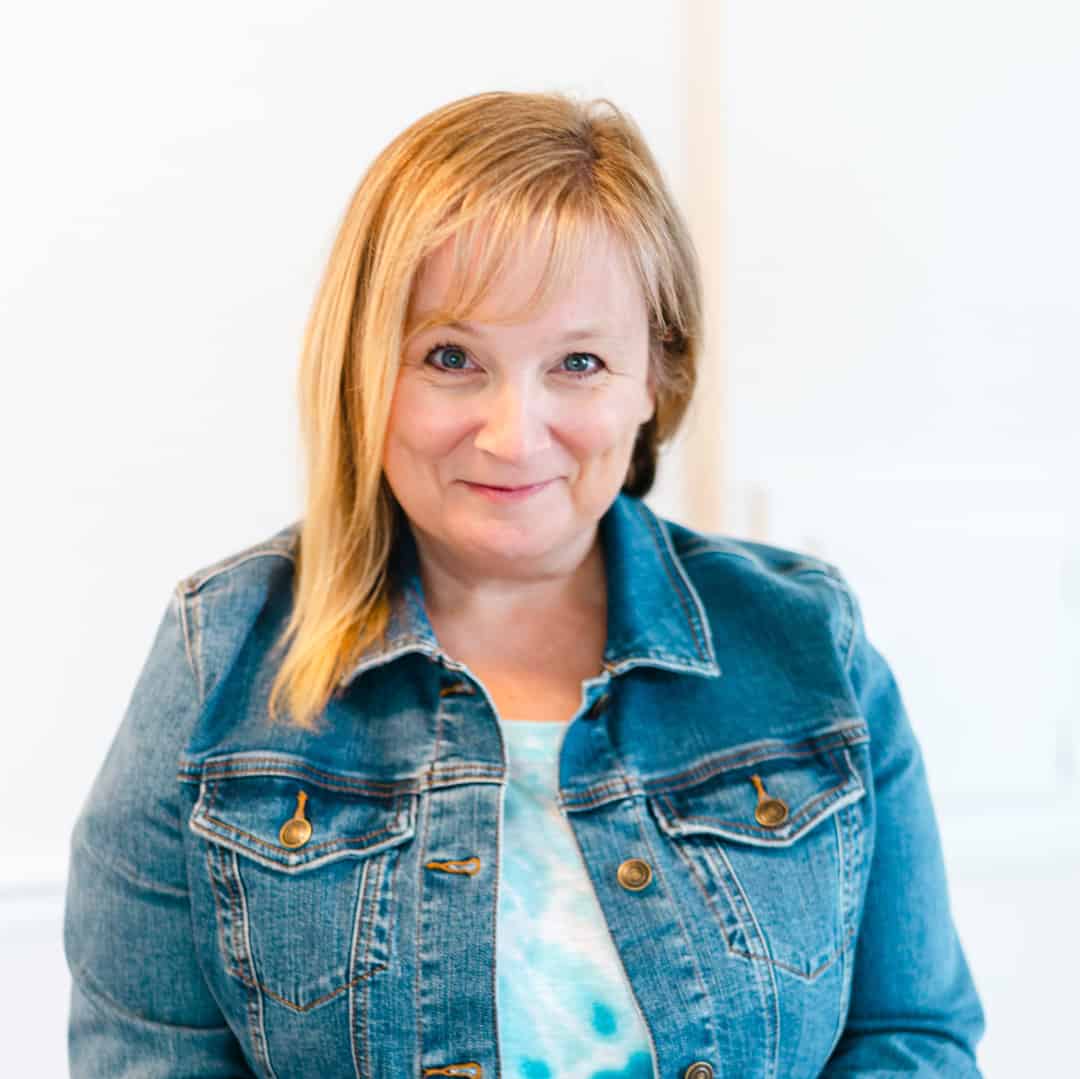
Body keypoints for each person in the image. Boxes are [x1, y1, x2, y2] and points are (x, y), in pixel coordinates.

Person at [63, 90, 986, 1078]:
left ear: (655, 379)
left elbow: (911, 1038)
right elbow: (147, 1055)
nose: (513, 432)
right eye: (451, 357)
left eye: (578, 361)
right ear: (363, 370)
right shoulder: (220, 653)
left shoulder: (809, 643)